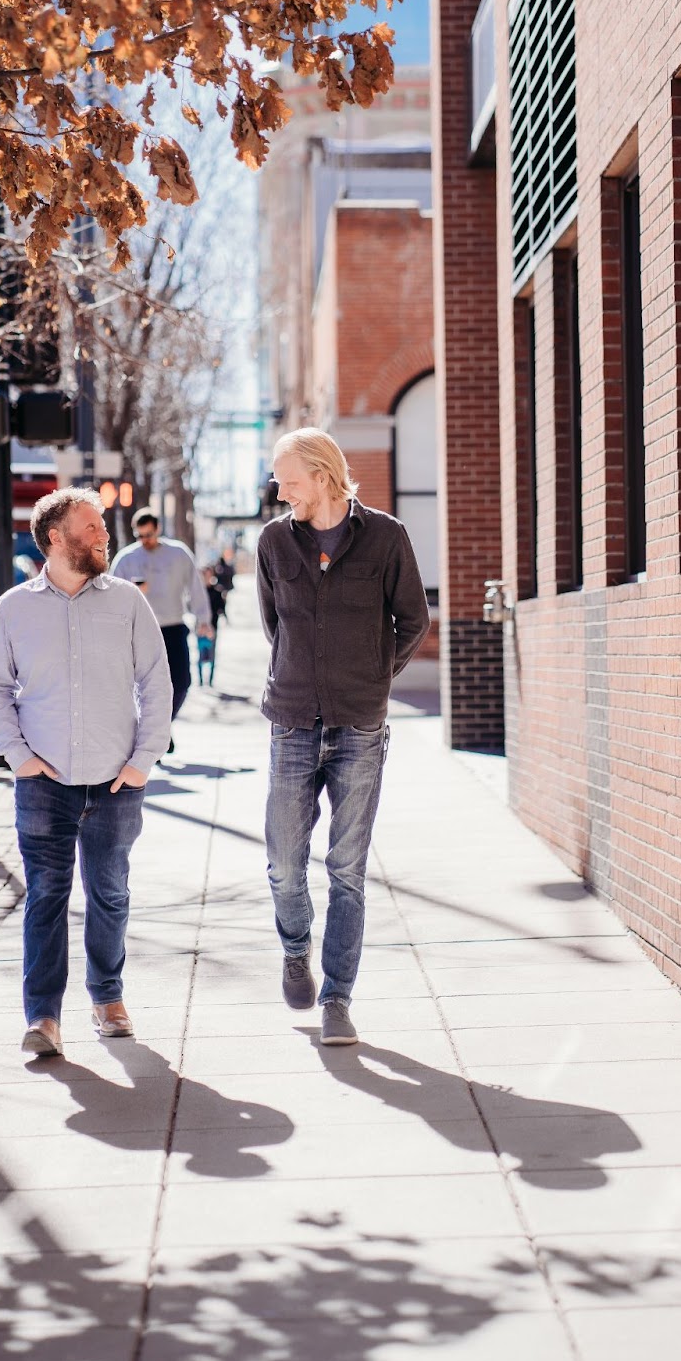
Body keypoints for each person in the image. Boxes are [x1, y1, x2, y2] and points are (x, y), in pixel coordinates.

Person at [0, 487, 173, 1057]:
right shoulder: (14, 606)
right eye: (92, 527)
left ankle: (107, 998)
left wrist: (143, 761)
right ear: (56, 539)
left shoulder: (127, 602)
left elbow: (156, 682)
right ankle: (43, 1017)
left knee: (110, 893)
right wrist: (18, 756)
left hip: (116, 781)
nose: (104, 534)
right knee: (46, 897)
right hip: (44, 784)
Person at [256, 428, 429, 1047]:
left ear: (322, 475)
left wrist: (374, 678)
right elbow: (273, 622)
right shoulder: (275, 540)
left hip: (360, 724)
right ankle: (295, 946)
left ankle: (337, 998)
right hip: (293, 718)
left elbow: (412, 620)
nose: (280, 490)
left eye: (288, 479)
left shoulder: (386, 537)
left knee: (347, 869)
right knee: (282, 863)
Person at [111, 509, 212, 753]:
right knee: (143, 687)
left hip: (174, 627)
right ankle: (152, 737)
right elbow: (111, 595)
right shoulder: (126, 559)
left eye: (149, 534)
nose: (146, 540)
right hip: (140, 631)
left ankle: (161, 729)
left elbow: (195, 588)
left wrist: (204, 620)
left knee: (182, 682)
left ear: (157, 529)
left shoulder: (178, 554)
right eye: (140, 535)